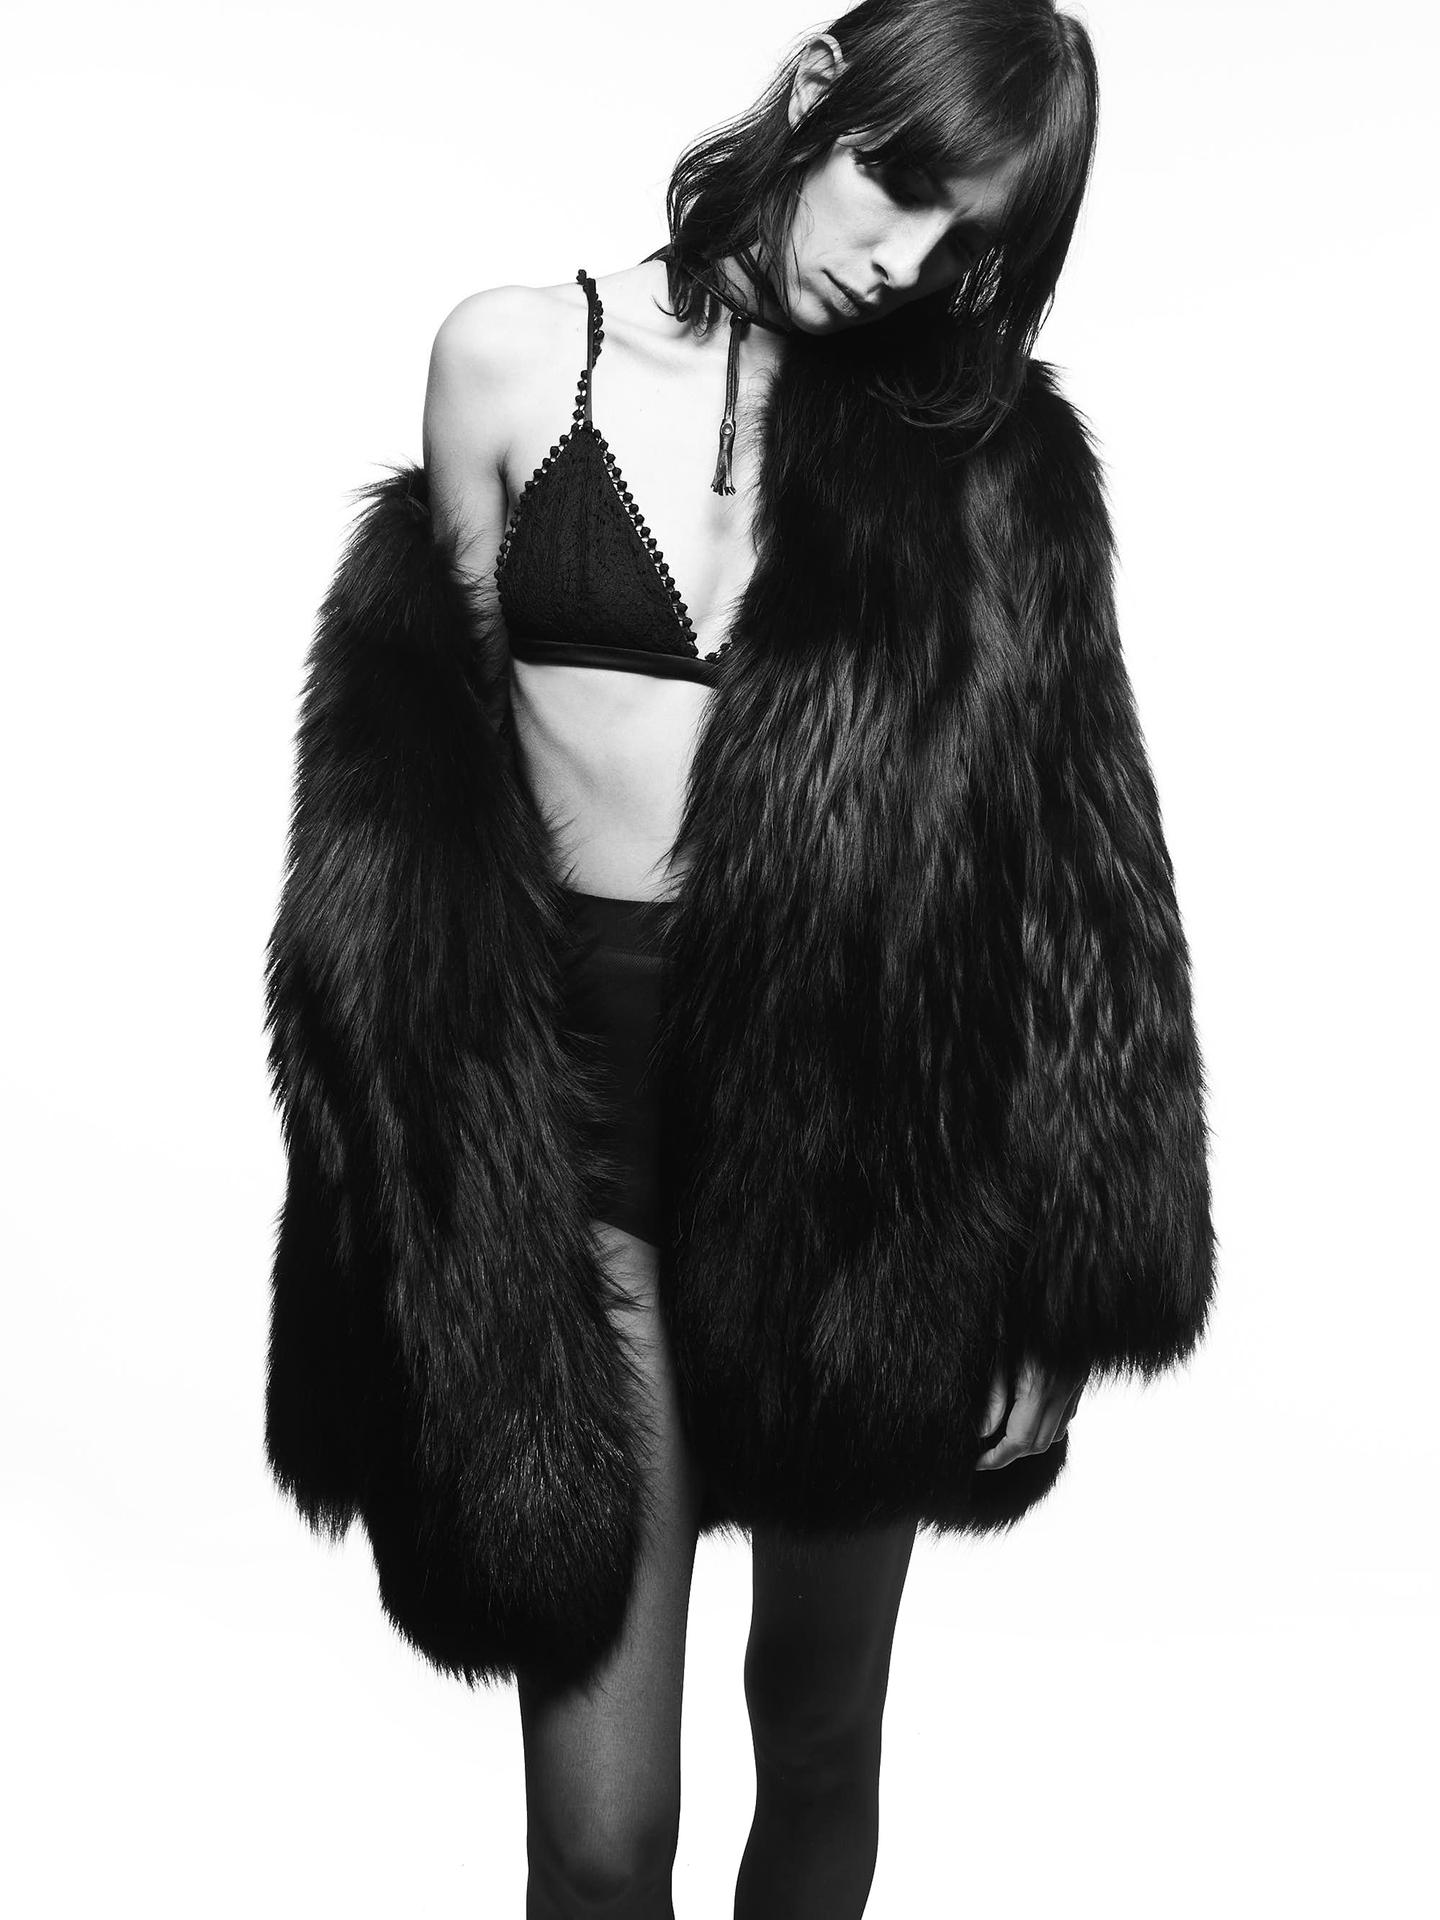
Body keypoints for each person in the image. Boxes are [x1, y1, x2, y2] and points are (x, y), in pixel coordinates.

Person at [264, 3, 1215, 1914]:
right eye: (901, 182)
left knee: (822, 1732)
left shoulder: (991, 452)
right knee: (603, 1843)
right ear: (817, 91)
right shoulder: (510, 359)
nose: (905, 261)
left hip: (864, 1154)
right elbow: (421, 823)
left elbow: (1079, 863)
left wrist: (1066, 1266)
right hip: (584, 1145)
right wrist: (415, 1202)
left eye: (967, 240)